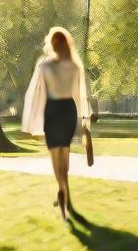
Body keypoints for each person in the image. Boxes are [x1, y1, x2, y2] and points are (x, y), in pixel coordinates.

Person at [21, 27, 92, 222]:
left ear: (51, 44)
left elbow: (38, 95)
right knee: (65, 152)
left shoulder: (45, 66)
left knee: (55, 154)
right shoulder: (75, 66)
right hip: (68, 110)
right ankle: (65, 193)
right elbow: (80, 95)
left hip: (53, 110)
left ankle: (61, 190)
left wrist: (33, 122)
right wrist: (85, 119)